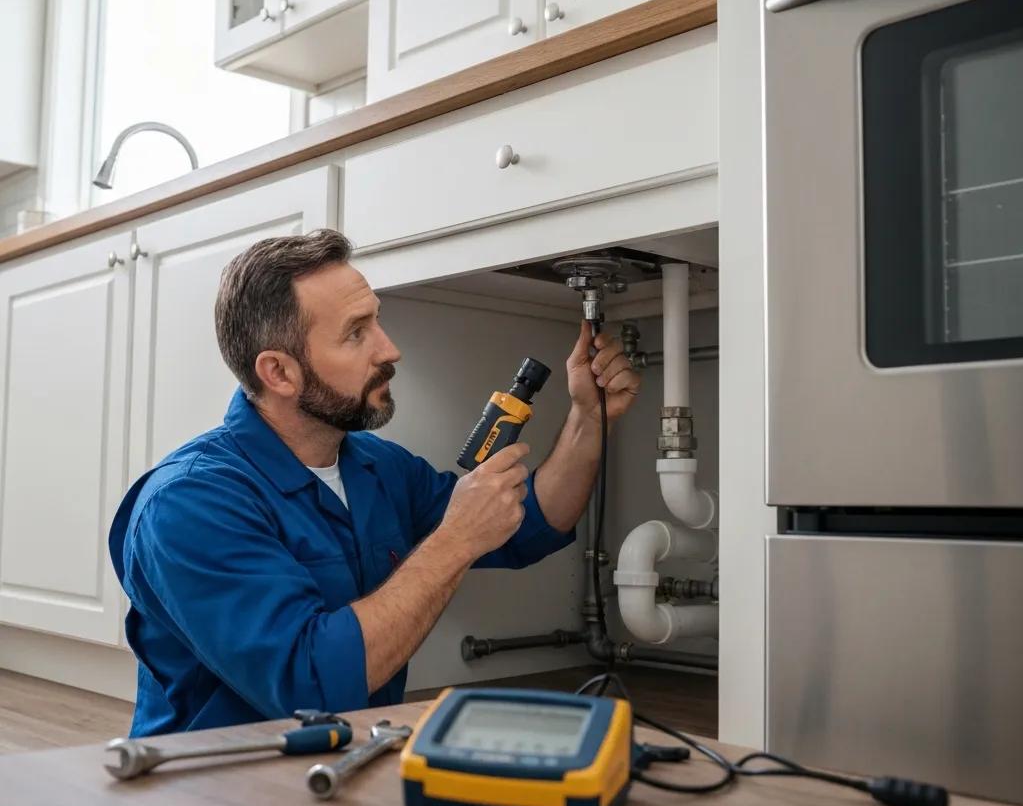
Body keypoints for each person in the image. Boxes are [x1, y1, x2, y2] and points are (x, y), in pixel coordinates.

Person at [109, 230, 640, 736]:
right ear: (279, 373)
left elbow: (533, 526)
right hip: (210, 793)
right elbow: (310, 684)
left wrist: (588, 418)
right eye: (356, 333)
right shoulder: (190, 504)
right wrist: (454, 541)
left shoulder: (376, 468)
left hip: (345, 761)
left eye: (377, 323)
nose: (389, 350)